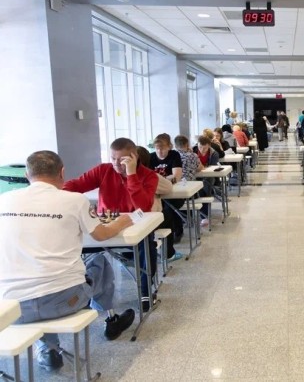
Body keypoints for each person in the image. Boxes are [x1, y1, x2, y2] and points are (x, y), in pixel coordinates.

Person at [0, 151, 136, 371]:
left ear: (27, 175)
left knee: (38, 288)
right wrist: (121, 222)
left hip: (12, 307)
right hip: (65, 301)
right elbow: (101, 235)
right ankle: (111, 320)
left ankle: (47, 348)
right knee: (99, 261)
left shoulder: (4, 200)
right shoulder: (74, 200)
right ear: (62, 173)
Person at [64, 138, 160, 311]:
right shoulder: (103, 170)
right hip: (105, 228)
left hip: (134, 226)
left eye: (122, 159)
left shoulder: (149, 176)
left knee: (147, 247)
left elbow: (143, 207)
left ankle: (146, 292)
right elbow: (77, 185)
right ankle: (80, 294)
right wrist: (52, 192)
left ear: (134, 157)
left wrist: (131, 175)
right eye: (113, 158)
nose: (116, 163)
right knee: (73, 247)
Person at [137, 146, 182, 262]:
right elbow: (168, 187)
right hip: (148, 219)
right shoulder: (150, 176)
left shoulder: (118, 176)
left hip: (127, 218)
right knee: (168, 215)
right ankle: (169, 253)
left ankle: (128, 257)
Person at [150, 134, 185, 248]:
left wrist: (159, 181)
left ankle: (176, 232)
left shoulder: (174, 155)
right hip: (158, 194)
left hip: (174, 193)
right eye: (157, 149)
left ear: (169, 147)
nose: (159, 151)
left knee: (168, 209)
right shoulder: (151, 157)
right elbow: (148, 179)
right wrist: (165, 180)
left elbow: (176, 177)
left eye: (163, 148)